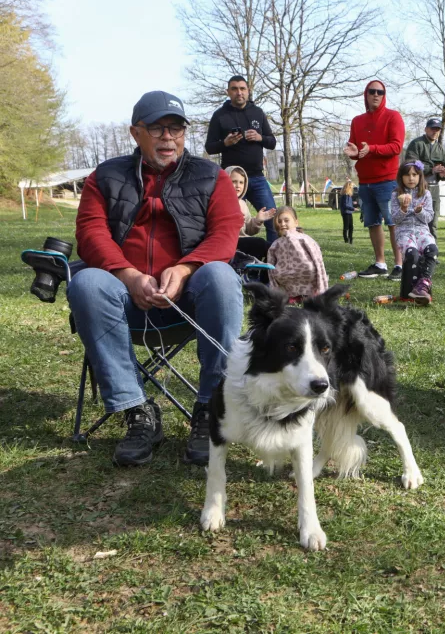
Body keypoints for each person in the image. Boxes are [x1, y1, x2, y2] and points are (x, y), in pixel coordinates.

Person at [68, 90, 245, 468]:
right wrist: (129, 276)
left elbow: (227, 232)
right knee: (86, 283)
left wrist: (184, 269)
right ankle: (137, 412)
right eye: (158, 128)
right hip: (123, 300)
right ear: (136, 132)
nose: (169, 138)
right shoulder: (105, 176)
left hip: (191, 301)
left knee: (222, 276)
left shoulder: (211, 176)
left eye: (177, 128)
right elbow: (90, 233)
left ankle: (211, 408)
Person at [344, 79, 405, 281]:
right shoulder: (357, 121)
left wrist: (372, 148)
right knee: (372, 222)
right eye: (372, 91)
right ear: (366, 95)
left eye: (380, 92)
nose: (376, 95)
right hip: (365, 181)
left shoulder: (393, 117)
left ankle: (400, 264)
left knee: (393, 222)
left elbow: (396, 147)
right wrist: (353, 153)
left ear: (384, 95)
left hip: (387, 180)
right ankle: (380, 264)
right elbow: (358, 151)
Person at [205, 75, 279, 242]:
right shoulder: (220, 116)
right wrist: (225, 143)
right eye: (234, 89)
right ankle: (237, 261)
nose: (239, 92)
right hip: (233, 180)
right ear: (228, 92)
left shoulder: (258, 113)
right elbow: (209, 147)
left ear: (248, 91)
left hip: (257, 178)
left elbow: (272, 142)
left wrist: (260, 138)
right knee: (234, 223)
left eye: (242, 89)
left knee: (273, 219)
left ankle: (274, 262)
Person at [390, 160, 437, 305]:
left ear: (420, 176)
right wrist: (404, 209)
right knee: (412, 254)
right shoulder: (395, 194)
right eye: (407, 175)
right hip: (404, 232)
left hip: (422, 231)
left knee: (432, 250)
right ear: (401, 177)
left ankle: (423, 284)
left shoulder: (426, 194)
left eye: (414, 175)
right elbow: (395, 219)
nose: (411, 178)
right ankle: (408, 291)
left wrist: (420, 211)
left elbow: (429, 217)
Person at [267, 206, 329, 302]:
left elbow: (318, 260)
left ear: (296, 222)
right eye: (279, 221)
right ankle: (293, 297)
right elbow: (270, 265)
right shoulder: (275, 244)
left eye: (286, 220)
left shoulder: (304, 239)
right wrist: (274, 292)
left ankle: (310, 294)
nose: (283, 224)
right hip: (285, 279)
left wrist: (322, 289)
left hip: (307, 275)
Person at [404, 117, 445, 239]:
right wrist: (431, 169)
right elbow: (411, 164)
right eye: (432, 129)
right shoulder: (416, 144)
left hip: (434, 190)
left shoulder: (441, 149)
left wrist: (443, 174)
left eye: (437, 129)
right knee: (415, 222)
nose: (435, 132)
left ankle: (432, 255)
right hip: (417, 189)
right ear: (426, 129)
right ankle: (415, 253)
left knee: (432, 223)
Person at [226, 165, 275, 261]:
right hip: (230, 242)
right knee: (260, 243)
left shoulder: (242, 204)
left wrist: (257, 220)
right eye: (234, 182)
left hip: (244, 240)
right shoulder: (220, 202)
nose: (238, 186)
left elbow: (249, 230)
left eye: (241, 182)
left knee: (272, 249)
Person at [340, 179, 356, 244]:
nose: (352, 188)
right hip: (346, 212)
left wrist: (353, 203)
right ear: (348, 187)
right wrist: (353, 208)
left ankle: (350, 239)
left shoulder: (349, 196)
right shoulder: (345, 196)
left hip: (349, 212)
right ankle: (346, 239)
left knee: (351, 227)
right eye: (351, 186)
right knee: (346, 226)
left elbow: (348, 203)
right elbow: (345, 205)